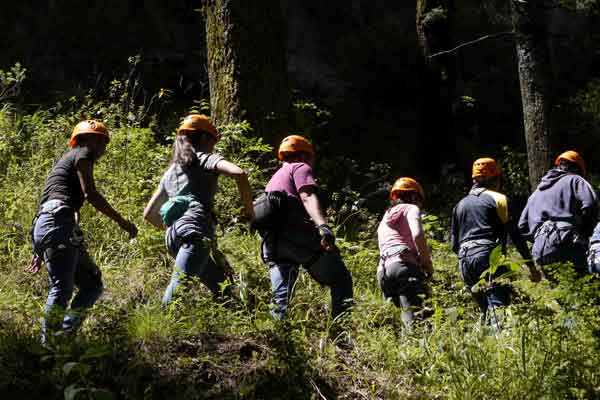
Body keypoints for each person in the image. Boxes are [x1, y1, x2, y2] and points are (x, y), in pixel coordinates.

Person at [27, 120, 138, 343]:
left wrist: (39, 249)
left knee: (92, 285)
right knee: (61, 289)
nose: (103, 149)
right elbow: (91, 194)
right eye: (102, 143)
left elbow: (52, 205)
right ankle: (48, 347)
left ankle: (64, 337)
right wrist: (122, 221)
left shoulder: (65, 165)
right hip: (57, 224)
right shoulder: (82, 153)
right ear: (91, 140)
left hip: (50, 225)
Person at [143, 114, 254, 305]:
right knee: (178, 286)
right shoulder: (205, 158)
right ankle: (156, 329)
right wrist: (249, 212)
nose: (214, 146)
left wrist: (177, 228)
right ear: (204, 138)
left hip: (172, 236)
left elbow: (149, 214)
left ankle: (232, 320)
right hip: (195, 230)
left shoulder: (171, 171)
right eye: (213, 140)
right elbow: (240, 174)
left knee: (222, 285)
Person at [255, 135, 353, 321]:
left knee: (280, 300)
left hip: (273, 243)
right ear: (305, 155)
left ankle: (276, 336)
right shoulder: (300, 167)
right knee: (341, 279)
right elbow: (307, 196)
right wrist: (323, 226)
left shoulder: (275, 177)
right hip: (297, 237)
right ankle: (340, 332)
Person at [451, 158, 540, 323]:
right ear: (495, 179)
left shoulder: (459, 205)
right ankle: (501, 345)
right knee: (497, 307)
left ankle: (485, 345)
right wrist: (531, 266)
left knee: (485, 310)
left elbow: (454, 245)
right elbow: (516, 236)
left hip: (464, 260)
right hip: (488, 255)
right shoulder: (499, 199)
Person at [519, 150, 598, 279]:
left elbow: (522, 226)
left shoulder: (536, 192)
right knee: (583, 286)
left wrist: (541, 238)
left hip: (541, 249)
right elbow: (591, 204)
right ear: (577, 169)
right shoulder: (575, 180)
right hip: (567, 241)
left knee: (559, 291)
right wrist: (585, 231)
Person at [377, 177, 433, 326]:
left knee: (404, 320)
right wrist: (427, 264)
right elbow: (418, 235)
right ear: (414, 196)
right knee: (416, 324)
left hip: (384, 273)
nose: (420, 205)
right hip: (404, 267)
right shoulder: (411, 208)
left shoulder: (386, 216)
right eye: (420, 200)